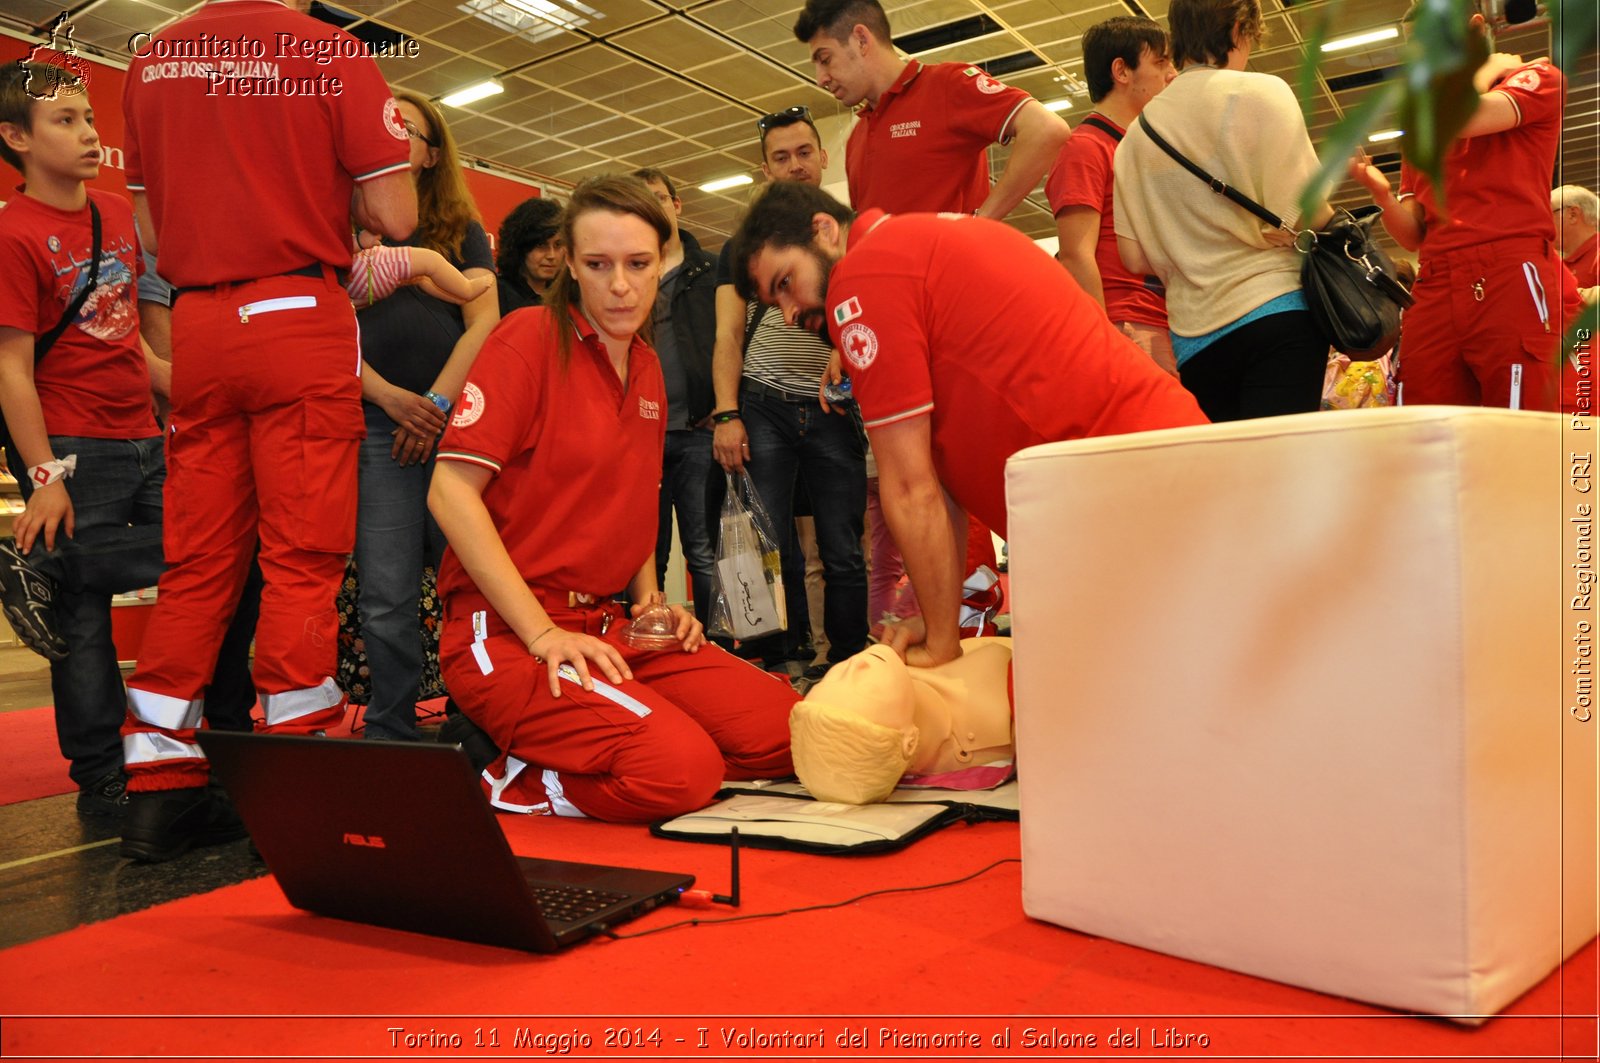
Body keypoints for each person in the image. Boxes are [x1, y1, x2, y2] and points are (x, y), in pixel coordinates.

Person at [119, 0, 417, 861]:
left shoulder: (151, 60)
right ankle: (297, 786)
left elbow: (147, 227)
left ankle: (159, 792)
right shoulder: (331, 52)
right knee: (301, 558)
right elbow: (394, 216)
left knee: (197, 563)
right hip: (298, 310)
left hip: (201, 322)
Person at [428, 175, 795, 822]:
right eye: (598, 265)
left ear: (664, 258)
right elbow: (449, 491)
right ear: (570, 263)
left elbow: (631, 497)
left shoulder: (648, 367)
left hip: (610, 627)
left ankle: (626, 742)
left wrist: (653, 604)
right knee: (683, 772)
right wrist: (541, 633)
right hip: (508, 635)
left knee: (789, 730)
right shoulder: (525, 340)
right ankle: (497, 774)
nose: (620, 284)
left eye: (637, 263)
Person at [729, 182, 1208, 668]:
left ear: (824, 230)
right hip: (1155, 476)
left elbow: (911, 487)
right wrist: (937, 616)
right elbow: (944, 482)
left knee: (1061, 718)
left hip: (1125, 504)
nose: (789, 315)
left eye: (786, 283)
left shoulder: (860, 278)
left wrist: (941, 643)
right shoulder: (914, 245)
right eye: (774, 305)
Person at [352, 90, 498, 743]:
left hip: (457, 428)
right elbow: (326, 332)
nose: (388, 135)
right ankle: (391, 724)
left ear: (432, 152)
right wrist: (389, 398)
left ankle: (482, 713)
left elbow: (484, 321)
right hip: (378, 424)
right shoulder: (344, 221)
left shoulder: (460, 229)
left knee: (468, 582)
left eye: (403, 128)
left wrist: (436, 404)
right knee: (384, 593)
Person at [1113, 0, 1333, 423]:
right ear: (1237, 30)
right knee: (1283, 467)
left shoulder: (1134, 139)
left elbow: (1134, 258)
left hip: (1194, 337)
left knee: (1230, 473)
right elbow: (1310, 213)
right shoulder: (1263, 92)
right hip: (1276, 308)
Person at [709, 106, 868, 681]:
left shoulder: (847, 229)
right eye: (781, 157)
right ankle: (780, 660)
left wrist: (843, 344)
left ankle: (851, 661)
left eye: (805, 153)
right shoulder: (740, 249)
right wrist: (728, 412)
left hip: (833, 406)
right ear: (765, 168)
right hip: (765, 403)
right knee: (767, 542)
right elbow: (728, 334)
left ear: (824, 158)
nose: (796, 165)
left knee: (842, 546)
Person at [1349, 0, 1566, 411]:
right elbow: (1414, 234)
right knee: (1423, 412)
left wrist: (1481, 73)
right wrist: (1380, 194)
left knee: (1518, 412)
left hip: (1510, 270)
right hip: (1435, 280)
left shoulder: (1536, 76)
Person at [792, 0, 1069, 219]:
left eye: (825, 59)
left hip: (953, 283)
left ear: (861, 40)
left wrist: (981, 222)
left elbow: (1047, 129)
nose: (820, 78)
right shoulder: (857, 138)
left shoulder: (947, 84)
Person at [1046, 16, 1178, 375]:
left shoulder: (1137, 147)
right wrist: (1103, 339)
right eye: (1161, 62)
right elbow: (1076, 254)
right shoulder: (1085, 147)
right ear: (1122, 71)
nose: (1172, 74)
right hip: (1128, 325)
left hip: (1164, 322)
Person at [631, 168, 721, 631]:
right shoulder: (629, 273)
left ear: (677, 204)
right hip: (641, 437)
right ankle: (656, 641)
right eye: (640, 200)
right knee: (648, 552)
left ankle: (718, 647)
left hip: (700, 433)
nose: (654, 206)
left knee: (704, 551)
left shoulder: (710, 270)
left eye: (660, 197)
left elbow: (730, 342)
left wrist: (725, 410)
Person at [495, 197, 564, 313]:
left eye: (558, 245)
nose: (552, 255)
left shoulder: (567, 297)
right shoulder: (498, 294)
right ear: (520, 247)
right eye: (541, 245)